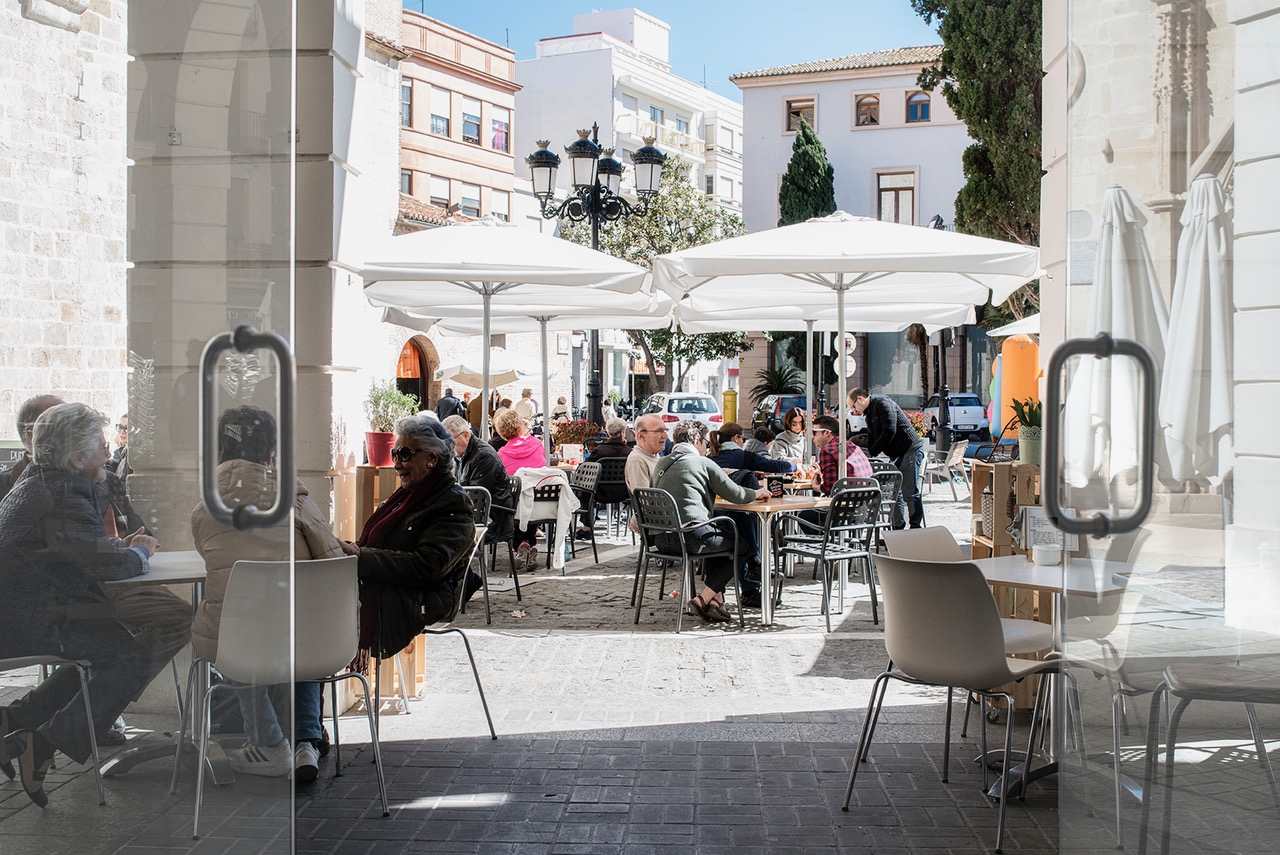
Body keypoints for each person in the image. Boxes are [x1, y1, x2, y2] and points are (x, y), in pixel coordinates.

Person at [0, 403, 166, 807]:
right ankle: (39, 745)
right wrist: (139, 552)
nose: (109, 456)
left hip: (28, 615)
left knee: (106, 654)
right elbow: (105, 566)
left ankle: (15, 721)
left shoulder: (40, 484)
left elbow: (76, 551)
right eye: (102, 448)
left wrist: (111, 548)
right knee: (132, 657)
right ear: (77, 458)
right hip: (38, 621)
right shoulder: (64, 495)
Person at [190, 406, 345, 781]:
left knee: (237, 626)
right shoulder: (298, 502)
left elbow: (212, 563)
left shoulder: (203, 511)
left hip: (238, 643)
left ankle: (268, 741)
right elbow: (333, 561)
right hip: (305, 641)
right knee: (304, 623)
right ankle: (306, 740)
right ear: (271, 455)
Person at [339, 416, 476, 672]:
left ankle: (305, 698)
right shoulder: (407, 495)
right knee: (314, 600)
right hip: (392, 585)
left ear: (432, 458)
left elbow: (428, 565)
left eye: (404, 454)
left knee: (319, 613)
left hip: (420, 597)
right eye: (394, 454)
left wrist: (361, 558)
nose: (397, 463)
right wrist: (350, 551)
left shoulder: (451, 502)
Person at [650, 420, 769, 624]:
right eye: (705, 442)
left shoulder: (661, 462)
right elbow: (736, 494)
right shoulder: (703, 463)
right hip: (690, 537)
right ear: (697, 440)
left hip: (661, 539)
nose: (707, 446)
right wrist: (758, 492)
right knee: (742, 546)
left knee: (718, 536)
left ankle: (717, 602)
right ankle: (703, 598)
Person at [707, 423, 797, 608]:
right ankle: (751, 587)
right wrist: (794, 465)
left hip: (714, 517)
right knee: (748, 537)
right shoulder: (743, 457)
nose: (744, 441)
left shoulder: (710, 458)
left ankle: (721, 593)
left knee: (739, 542)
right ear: (736, 438)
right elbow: (774, 465)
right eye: (743, 438)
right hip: (741, 513)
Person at [850, 387, 926, 528]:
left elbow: (889, 430)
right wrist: (867, 453)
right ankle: (897, 527)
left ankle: (916, 527)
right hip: (896, 454)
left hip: (909, 449)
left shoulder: (883, 403)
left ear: (860, 399)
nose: (854, 411)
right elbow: (873, 437)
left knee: (910, 492)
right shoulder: (869, 414)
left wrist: (873, 451)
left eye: (853, 407)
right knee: (895, 492)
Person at [441, 414, 515, 545]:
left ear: (466, 435)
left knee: (441, 532)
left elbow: (475, 496)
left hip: (493, 518)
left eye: (451, 441)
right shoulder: (461, 455)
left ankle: (457, 564)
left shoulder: (483, 456)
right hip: (476, 512)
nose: (448, 446)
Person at [493, 408, 548, 569]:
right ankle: (529, 543)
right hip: (542, 504)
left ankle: (519, 545)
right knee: (528, 497)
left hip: (515, 507)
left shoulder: (502, 453)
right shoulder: (537, 444)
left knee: (516, 499)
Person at [575, 417, 631, 538]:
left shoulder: (600, 451)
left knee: (587, 488)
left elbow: (585, 468)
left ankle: (587, 527)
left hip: (599, 492)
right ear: (622, 433)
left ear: (608, 433)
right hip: (623, 492)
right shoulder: (629, 452)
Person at [809, 414, 874, 496]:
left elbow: (829, 488)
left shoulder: (827, 450)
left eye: (814, 432)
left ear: (826, 433)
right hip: (867, 500)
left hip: (846, 502)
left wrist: (815, 486)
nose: (812, 437)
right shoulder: (852, 446)